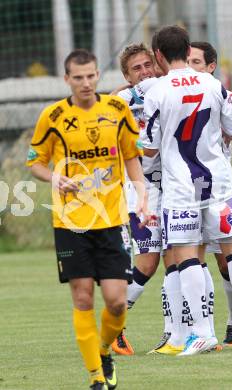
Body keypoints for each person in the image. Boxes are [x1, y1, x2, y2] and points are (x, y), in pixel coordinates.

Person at [142, 25, 232, 356]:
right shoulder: (214, 84)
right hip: (220, 185)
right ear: (188, 51)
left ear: (158, 55)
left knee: (186, 256)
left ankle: (202, 333)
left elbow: (150, 148)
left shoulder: (156, 91)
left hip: (181, 189)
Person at [26, 49, 148, 389]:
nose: (85, 82)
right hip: (71, 223)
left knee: (117, 302)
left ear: (97, 75)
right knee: (82, 298)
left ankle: (104, 349)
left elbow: (131, 156)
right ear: (67, 79)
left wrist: (143, 195)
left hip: (111, 220)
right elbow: (35, 161)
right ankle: (96, 377)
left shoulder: (117, 109)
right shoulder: (52, 116)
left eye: (90, 75)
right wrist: (53, 178)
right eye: (77, 77)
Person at [116, 43, 185, 355]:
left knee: (176, 257)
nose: (144, 72)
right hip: (142, 190)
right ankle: (112, 322)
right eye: (136, 69)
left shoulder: (167, 91)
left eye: (148, 65)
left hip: (173, 185)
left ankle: (175, 334)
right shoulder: (122, 101)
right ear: (128, 77)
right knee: (147, 262)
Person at [188, 41, 232, 347]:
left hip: (217, 189)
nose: (190, 67)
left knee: (227, 260)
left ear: (210, 67)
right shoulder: (176, 94)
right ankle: (197, 329)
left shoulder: (222, 95)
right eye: (187, 61)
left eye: (197, 62)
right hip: (185, 189)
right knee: (190, 260)